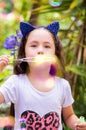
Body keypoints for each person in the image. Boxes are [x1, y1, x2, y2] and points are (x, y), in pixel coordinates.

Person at [0, 21, 86, 130]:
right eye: (34, 45)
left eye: (47, 46)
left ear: (55, 53)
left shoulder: (63, 85)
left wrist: (77, 124)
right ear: (24, 52)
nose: (40, 51)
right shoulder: (15, 83)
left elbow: (69, 116)